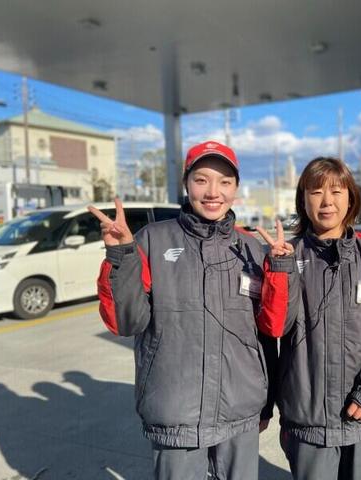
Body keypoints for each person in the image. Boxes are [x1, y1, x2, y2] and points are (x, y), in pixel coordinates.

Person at [89, 141, 277, 480]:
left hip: (241, 409)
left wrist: (267, 400)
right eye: (201, 180)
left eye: (224, 182)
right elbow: (126, 321)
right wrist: (120, 256)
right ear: (186, 183)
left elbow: (265, 334)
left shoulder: (251, 247)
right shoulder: (151, 240)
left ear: (236, 188)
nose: (213, 192)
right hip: (176, 412)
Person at [256, 157, 361, 480]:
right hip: (308, 422)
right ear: (303, 200)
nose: (327, 201)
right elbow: (276, 326)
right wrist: (280, 268)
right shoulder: (288, 255)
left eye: (337, 191)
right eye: (316, 192)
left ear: (350, 198)